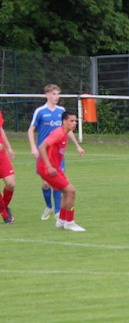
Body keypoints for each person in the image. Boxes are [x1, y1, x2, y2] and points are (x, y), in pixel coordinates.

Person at [28, 84, 84, 223]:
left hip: (57, 154)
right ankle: (49, 207)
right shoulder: (40, 111)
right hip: (44, 152)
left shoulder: (61, 111)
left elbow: (67, 130)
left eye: (58, 94)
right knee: (46, 184)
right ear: (47, 95)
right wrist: (33, 147)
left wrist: (77, 145)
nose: (56, 97)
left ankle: (59, 212)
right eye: (53, 94)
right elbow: (31, 130)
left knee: (60, 183)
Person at [36, 112, 85, 232]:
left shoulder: (65, 133)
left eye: (75, 121)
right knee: (71, 191)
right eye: (71, 121)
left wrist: (78, 146)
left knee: (66, 192)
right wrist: (49, 166)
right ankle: (70, 222)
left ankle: (62, 221)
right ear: (64, 121)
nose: (74, 123)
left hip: (55, 167)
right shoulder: (58, 133)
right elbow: (42, 147)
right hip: (47, 168)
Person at [0, 109, 16, 224]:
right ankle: (5, 215)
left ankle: (3, 207)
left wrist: (9, 147)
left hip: (1, 155)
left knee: (11, 183)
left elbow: (0, 129)